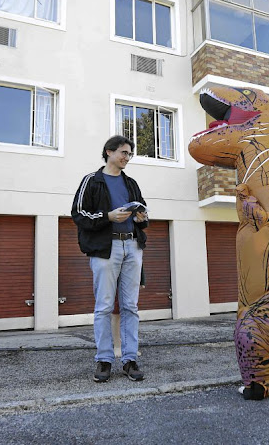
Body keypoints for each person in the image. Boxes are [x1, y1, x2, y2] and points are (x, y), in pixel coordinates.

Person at [72, 135, 149, 382]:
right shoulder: (91, 181)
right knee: (104, 306)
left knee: (130, 307)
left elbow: (144, 215)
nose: (127, 158)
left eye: (129, 154)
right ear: (109, 152)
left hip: (132, 246)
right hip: (107, 248)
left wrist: (141, 218)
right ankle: (104, 360)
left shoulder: (132, 183)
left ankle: (129, 360)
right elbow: (79, 214)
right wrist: (108, 216)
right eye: (124, 153)